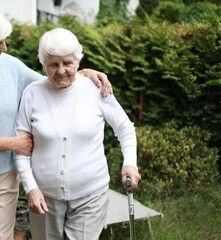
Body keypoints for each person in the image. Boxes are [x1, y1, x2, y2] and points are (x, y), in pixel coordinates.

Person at [0, 0, 112, 239]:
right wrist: (14, 144)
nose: (4, 47)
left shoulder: (9, 66)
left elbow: (47, 83)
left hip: (4, 174)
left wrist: (82, 74)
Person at [14, 27, 141, 240]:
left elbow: (125, 128)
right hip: (44, 196)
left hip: (91, 195)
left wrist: (130, 162)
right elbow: (21, 147)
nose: (61, 70)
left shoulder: (96, 89)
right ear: (43, 65)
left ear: (78, 62)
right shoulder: (32, 94)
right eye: (53, 64)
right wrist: (31, 188)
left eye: (67, 63)